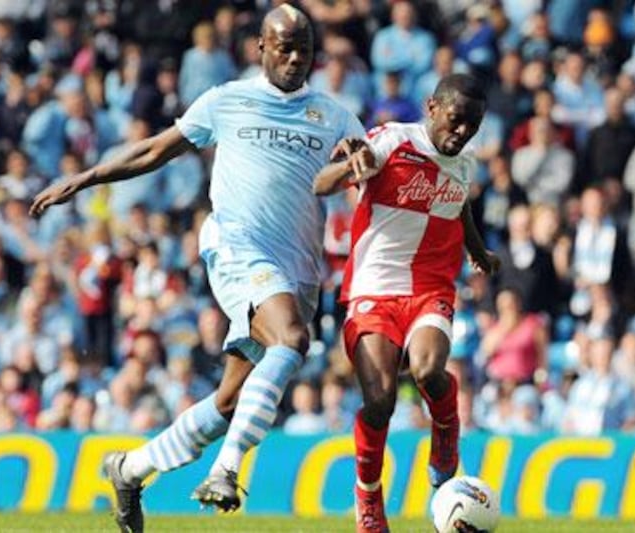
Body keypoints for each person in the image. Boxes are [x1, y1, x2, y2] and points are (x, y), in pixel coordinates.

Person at [29, 5, 364, 531]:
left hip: (297, 267)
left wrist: (360, 167)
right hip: (238, 248)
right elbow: (156, 151)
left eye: (304, 48)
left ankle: (130, 468)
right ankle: (226, 471)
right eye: (284, 46)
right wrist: (88, 176)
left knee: (230, 402)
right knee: (292, 341)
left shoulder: (336, 115)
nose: (295, 57)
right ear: (260, 48)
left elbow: (366, 172)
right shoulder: (227, 101)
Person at [313, 73, 499, 533]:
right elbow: (323, 184)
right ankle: (369, 500)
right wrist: (350, 167)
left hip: (431, 287)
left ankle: (446, 433)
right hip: (373, 289)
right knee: (379, 400)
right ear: (432, 107)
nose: (461, 133)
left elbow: (460, 207)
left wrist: (477, 250)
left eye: (472, 127)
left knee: (429, 370)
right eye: (456, 121)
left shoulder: (464, 163)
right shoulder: (392, 140)